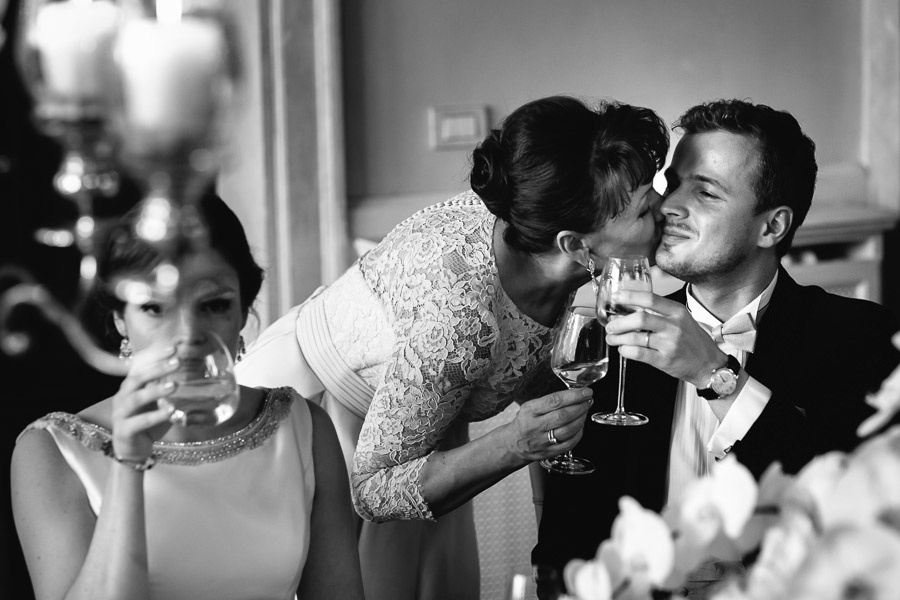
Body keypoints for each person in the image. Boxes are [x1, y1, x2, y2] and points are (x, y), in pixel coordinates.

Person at [236, 95, 670, 600]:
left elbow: (535, 365)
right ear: (576, 246)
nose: (666, 211)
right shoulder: (462, 316)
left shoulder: (541, 225)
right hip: (323, 421)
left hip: (429, 435)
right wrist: (513, 443)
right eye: (645, 209)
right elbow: (372, 489)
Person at [533, 99, 900, 598]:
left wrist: (715, 375)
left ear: (772, 227)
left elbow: (851, 522)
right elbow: (561, 554)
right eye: (671, 184)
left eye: (705, 192)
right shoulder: (612, 345)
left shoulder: (865, 340)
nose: (667, 207)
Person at [11, 192, 364, 600]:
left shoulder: (303, 430)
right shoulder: (53, 452)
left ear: (242, 315)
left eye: (213, 305)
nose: (189, 336)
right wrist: (127, 465)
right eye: (156, 308)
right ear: (119, 319)